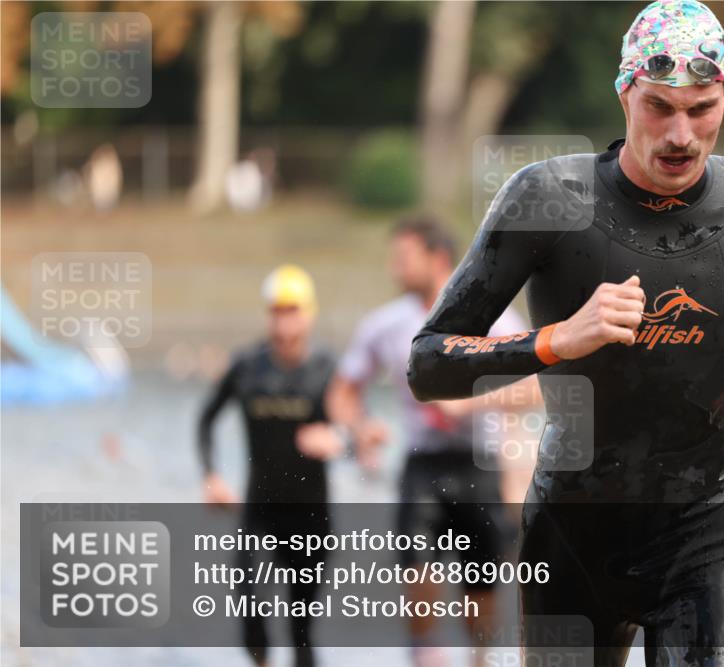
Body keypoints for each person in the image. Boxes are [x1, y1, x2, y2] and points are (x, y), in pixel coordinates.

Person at [406, 2, 724, 666]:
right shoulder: (548, 199)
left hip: (703, 527)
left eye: (700, 108)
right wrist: (557, 340)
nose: (680, 134)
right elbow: (428, 362)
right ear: (624, 93)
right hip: (573, 530)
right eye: (659, 107)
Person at [330, 216, 537, 667]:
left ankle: (479, 658)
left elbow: (536, 389)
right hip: (422, 465)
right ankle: (423, 657)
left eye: (403, 258)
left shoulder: (494, 318)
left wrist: (470, 403)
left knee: (480, 598)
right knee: (417, 571)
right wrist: (360, 427)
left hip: (481, 466)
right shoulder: (385, 324)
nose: (394, 268)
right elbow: (343, 392)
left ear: (438, 259)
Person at [197, 264, 343, 667]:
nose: (284, 320)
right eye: (276, 310)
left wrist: (339, 441)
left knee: (300, 631)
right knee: (249, 608)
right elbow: (206, 418)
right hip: (258, 512)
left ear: (309, 314)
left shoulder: (327, 369)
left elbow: (356, 429)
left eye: (292, 310)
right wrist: (211, 476)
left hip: (311, 518)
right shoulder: (247, 365)